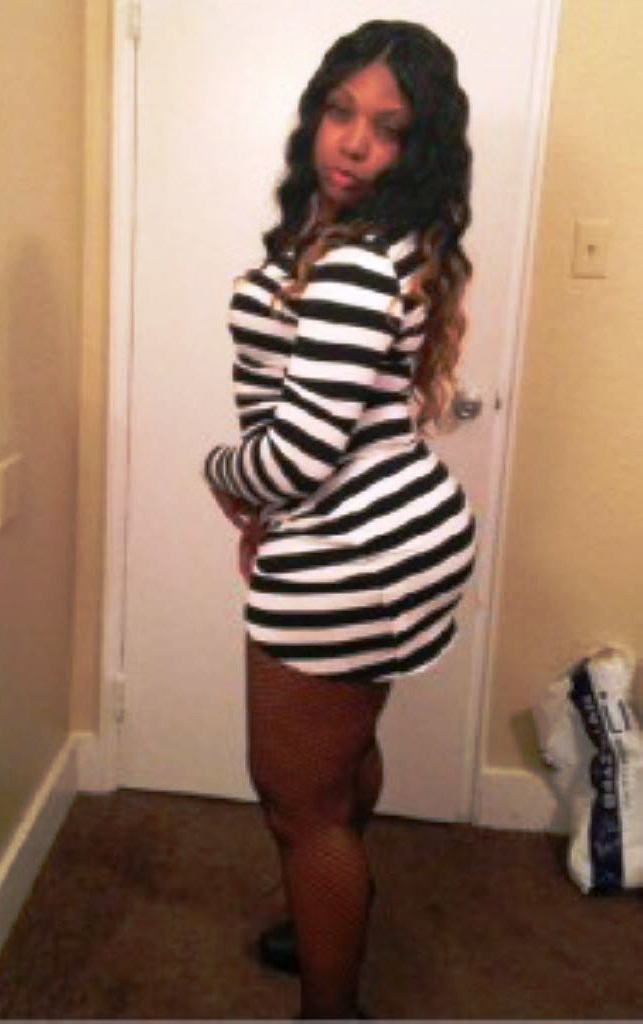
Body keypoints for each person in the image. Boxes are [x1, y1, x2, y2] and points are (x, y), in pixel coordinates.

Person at [203, 19, 476, 1020]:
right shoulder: (379, 243)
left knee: (299, 804)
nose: (354, 143)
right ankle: (333, 907)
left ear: (418, 146)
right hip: (392, 535)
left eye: (388, 128)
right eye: (340, 112)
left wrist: (219, 472)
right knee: (341, 753)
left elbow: (299, 454)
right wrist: (270, 506)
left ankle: (331, 1004)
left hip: (353, 548)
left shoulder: (357, 261)